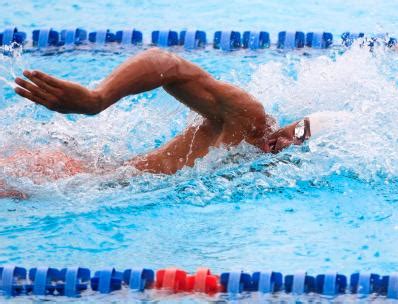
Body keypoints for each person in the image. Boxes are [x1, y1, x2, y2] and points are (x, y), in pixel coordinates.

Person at [2, 48, 318, 199]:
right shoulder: (247, 120)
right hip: (69, 177)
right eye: (294, 131)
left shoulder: (256, 178)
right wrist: (97, 99)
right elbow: (167, 64)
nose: (285, 142)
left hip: (81, 182)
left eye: (299, 142)